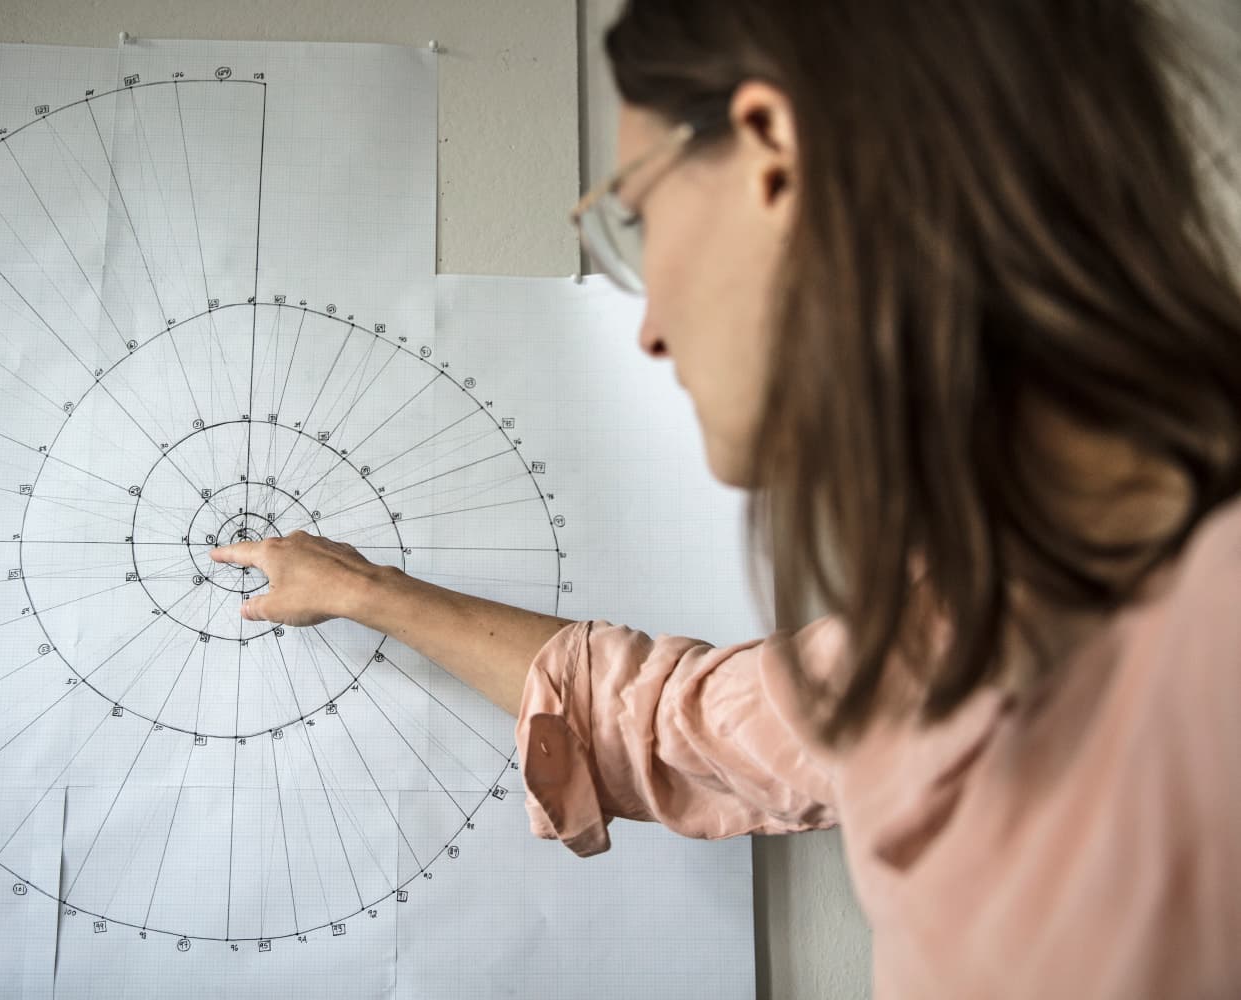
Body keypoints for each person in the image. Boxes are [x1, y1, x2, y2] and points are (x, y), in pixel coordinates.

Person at [210, 1, 1241, 995]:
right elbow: (667, 724)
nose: (650, 324)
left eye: (639, 217)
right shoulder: (951, 630)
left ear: (770, 155)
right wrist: (367, 591)